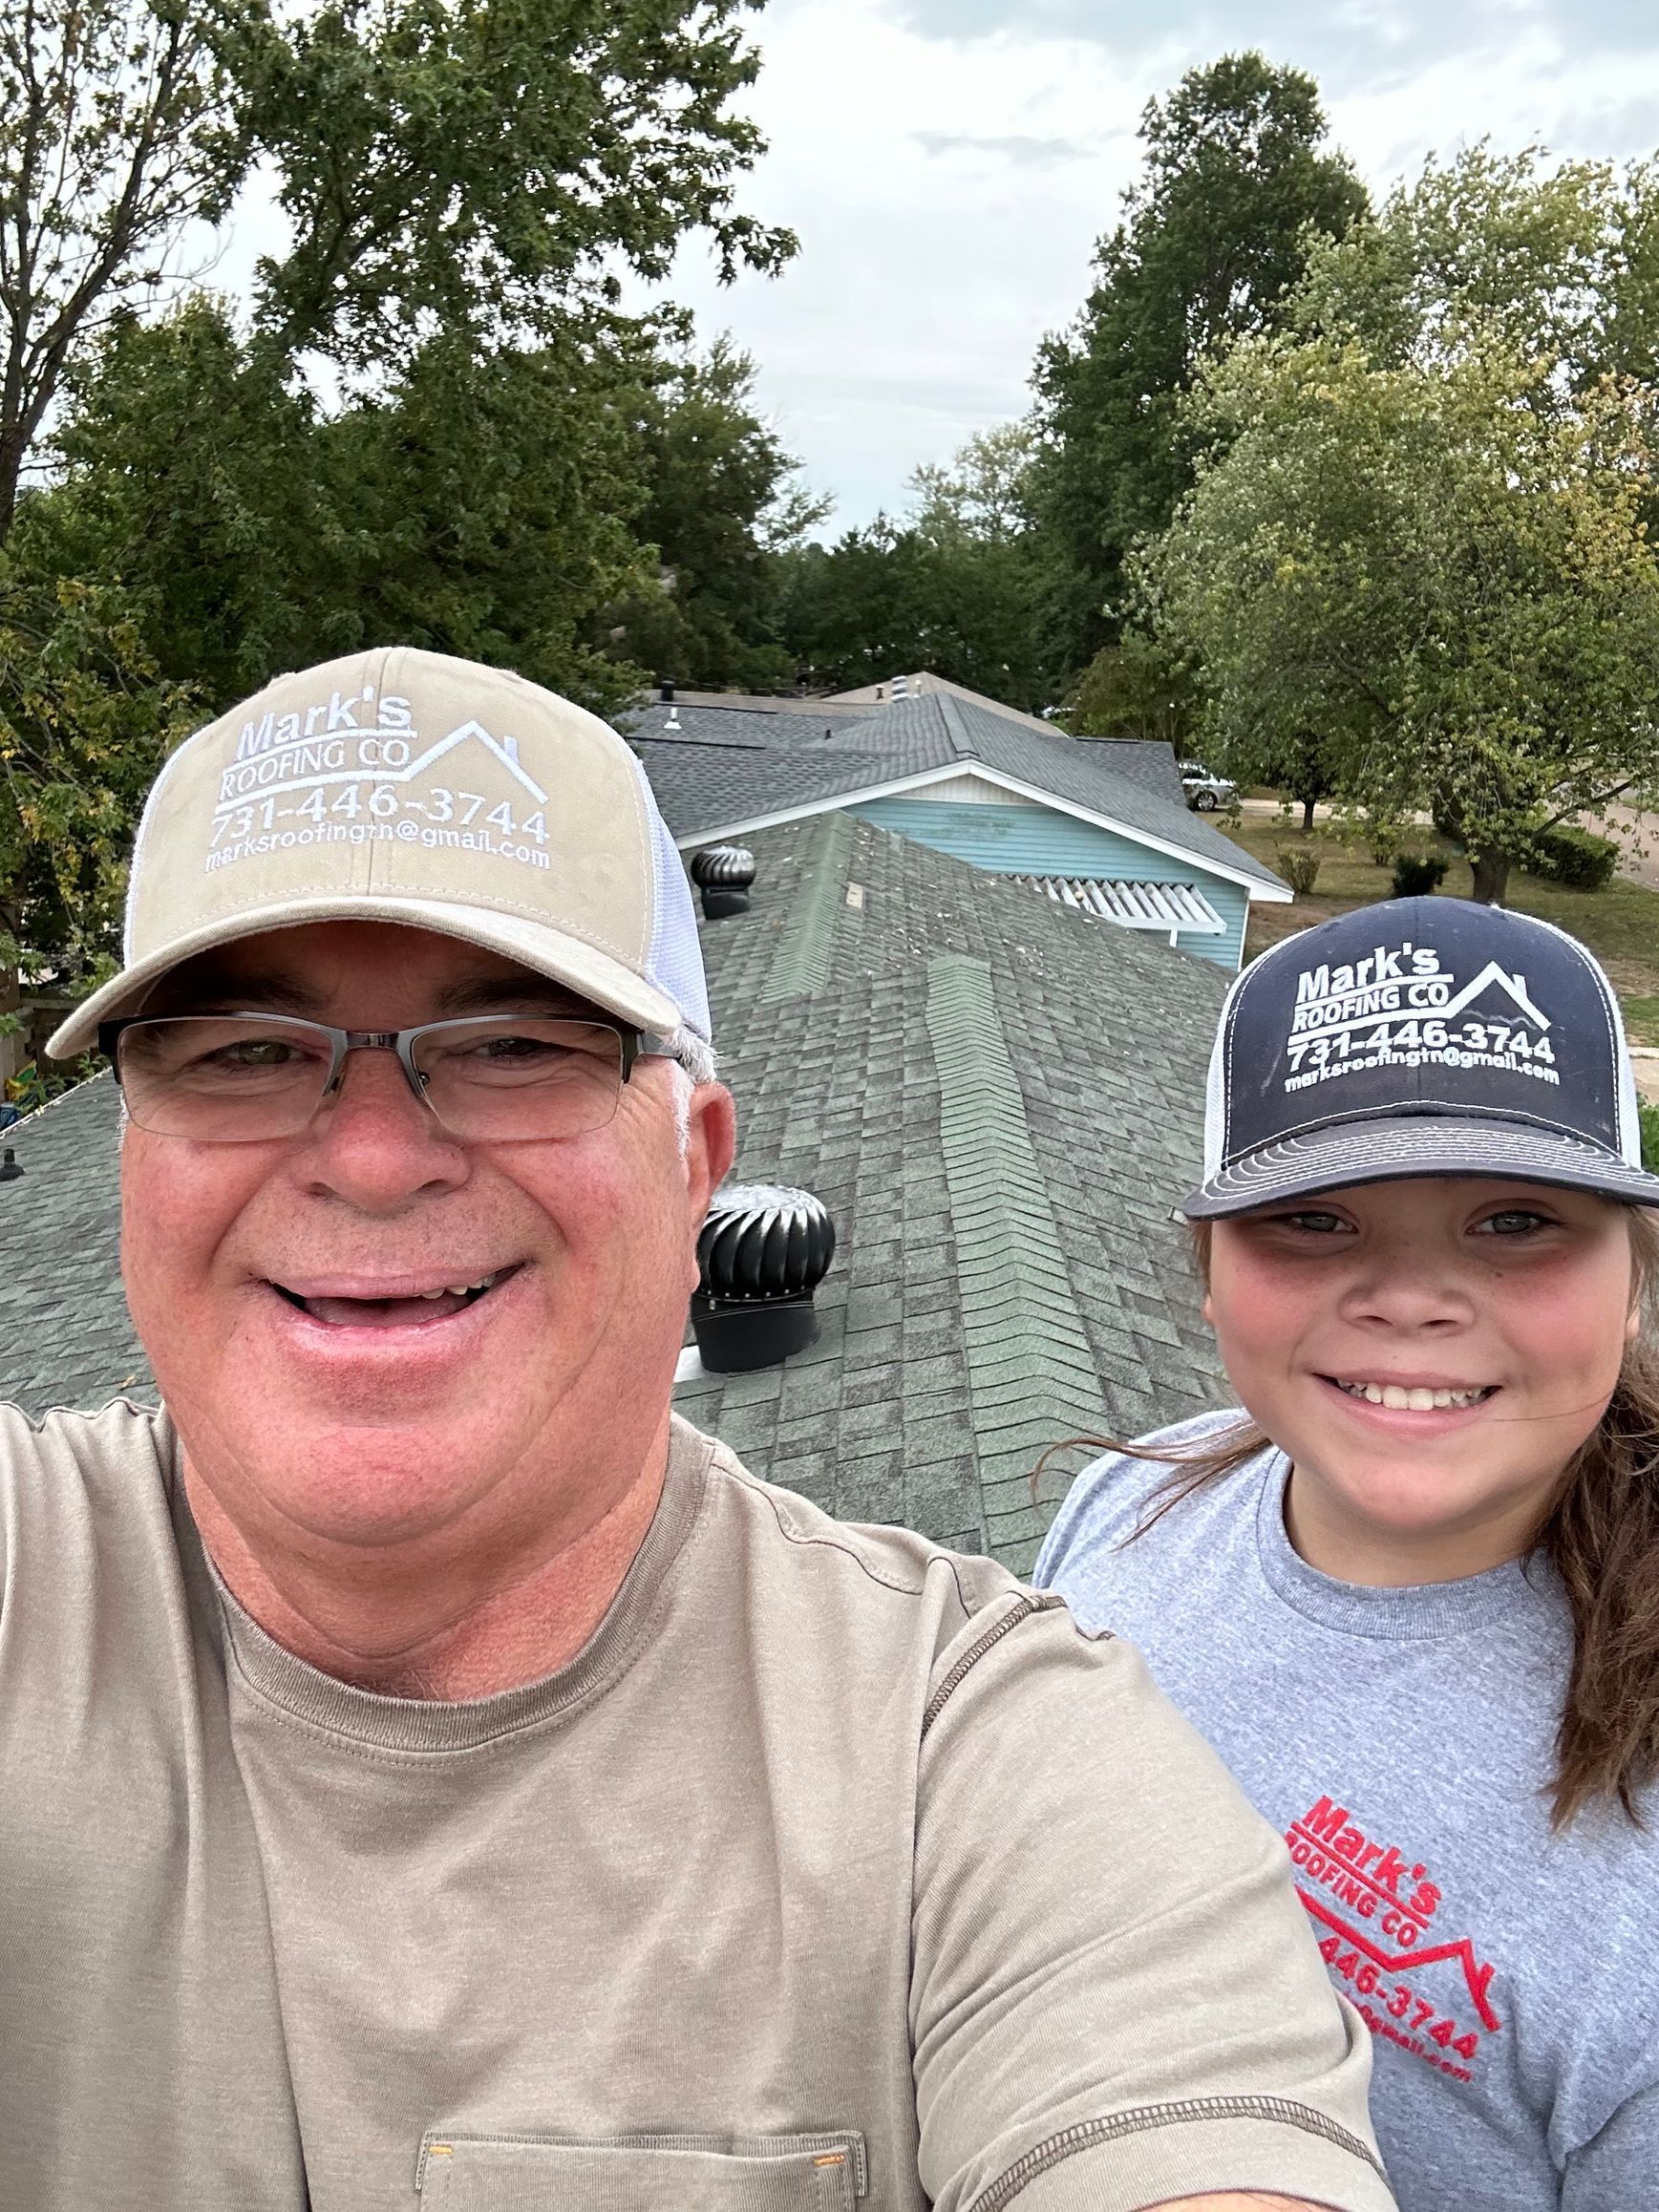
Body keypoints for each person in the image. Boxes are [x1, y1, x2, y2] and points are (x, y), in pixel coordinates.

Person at [0, 648, 1394, 2212]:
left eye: (513, 1044)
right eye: (243, 1050)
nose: (375, 1160)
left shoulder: (970, 1763)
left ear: (693, 1173)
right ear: (126, 1158)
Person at [1036, 896, 1659, 2212]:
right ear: (1206, 1269)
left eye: (1516, 1222)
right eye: (1313, 1220)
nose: (1409, 1297)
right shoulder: (1126, 1507)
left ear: (1635, 1278)